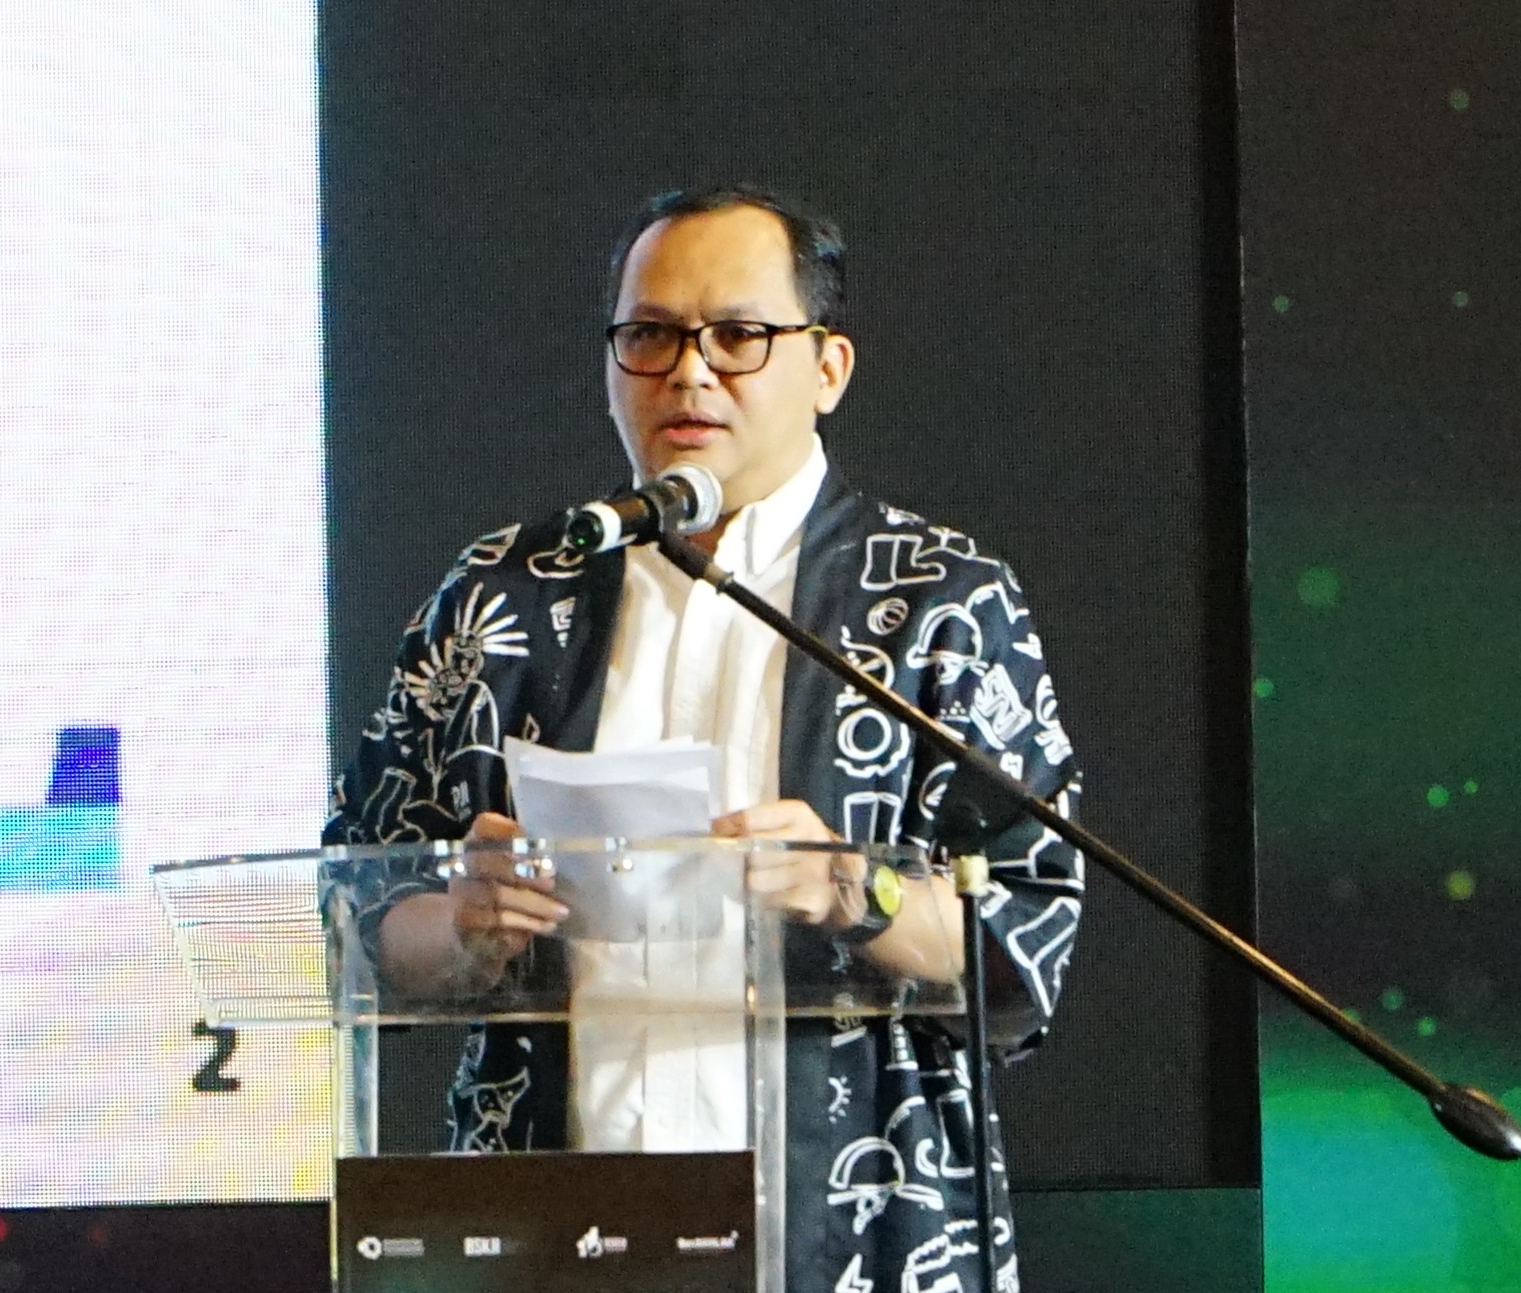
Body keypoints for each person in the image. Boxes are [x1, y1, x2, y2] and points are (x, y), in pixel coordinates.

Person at [325, 184, 1084, 1292]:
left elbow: (1026, 938)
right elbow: (351, 912)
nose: (689, 372)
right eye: (650, 335)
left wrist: (856, 889)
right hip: (545, 1238)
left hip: (856, 1235)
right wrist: (462, 922)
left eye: (737, 335)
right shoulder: (503, 595)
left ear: (827, 368)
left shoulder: (936, 601)